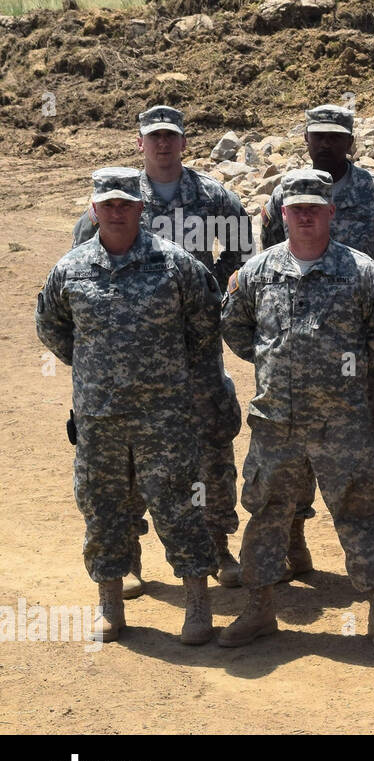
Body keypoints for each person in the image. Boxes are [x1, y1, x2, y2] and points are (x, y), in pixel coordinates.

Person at [220, 169, 374, 648]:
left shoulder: (362, 272)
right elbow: (238, 331)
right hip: (275, 423)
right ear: (282, 214)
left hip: (342, 423)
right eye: (295, 208)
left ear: (331, 212)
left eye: (314, 207)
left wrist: (338, 370)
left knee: (360, 511)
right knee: (266, 512)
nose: (304, 215)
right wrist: (278, 365)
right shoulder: (257, 273)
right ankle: (259, 608)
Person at [37, 167, 222, 644]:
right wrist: (97, 370)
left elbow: (203, 327)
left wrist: (166, 374)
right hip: (99, 418)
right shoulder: (70, 268)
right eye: (108, 204)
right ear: (94, 210)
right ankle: (110, 605)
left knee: (179, 504)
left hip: (165, 415)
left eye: (126, 203)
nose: (117, 211)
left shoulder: (175, 265)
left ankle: (197, 604)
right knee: (103, 508)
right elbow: (54, 328)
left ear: (141, 208)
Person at [72, 105, 249, 596]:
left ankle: (218, 542)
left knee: (212, 443)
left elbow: (240, 270)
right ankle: (127, 557)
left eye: (171, 136)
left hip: (194, 353)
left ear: (185, 142)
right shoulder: (115, 198)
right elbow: (77, 276)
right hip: (128, 358)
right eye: (154, 137)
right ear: (140, 143)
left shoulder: (214, 198)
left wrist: (210, 313)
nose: (164, 145)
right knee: (126, 454)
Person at [261, 105, 374, 586]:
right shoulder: (283, 195)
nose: (326, 144)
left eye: (336, 137)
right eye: (317, 136)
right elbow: (267, 264)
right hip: (296, 360)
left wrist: (359, 342)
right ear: (305, 138)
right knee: (292, 448)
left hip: (364, 354)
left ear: (351, 141)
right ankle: (294, 543)